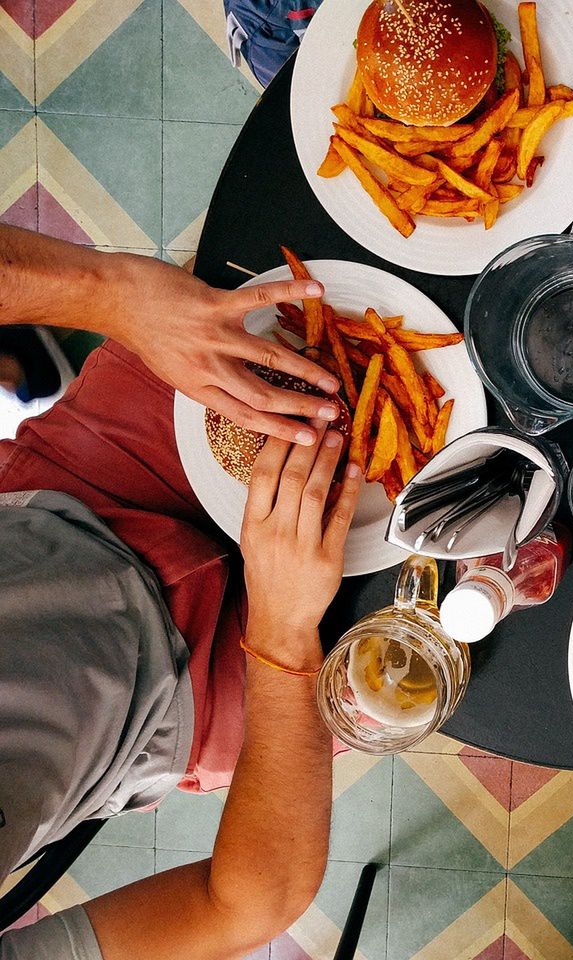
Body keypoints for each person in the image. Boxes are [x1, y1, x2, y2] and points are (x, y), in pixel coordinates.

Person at [0, 225, 359, 956]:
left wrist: (110, 294)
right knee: (479, 592)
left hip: (63, 500)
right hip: (185, 711)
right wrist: (284, 636)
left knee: (298, 257)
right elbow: (241, 903)